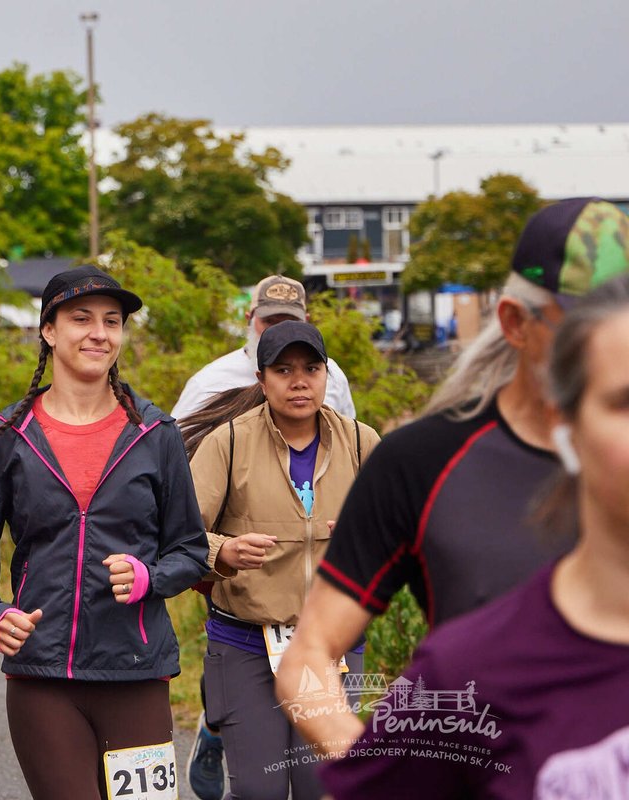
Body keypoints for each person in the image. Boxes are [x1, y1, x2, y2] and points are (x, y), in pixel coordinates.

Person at [275, 197, 629, 758]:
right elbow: (309, 655)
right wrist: (371, 773)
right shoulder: (423, 462)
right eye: (584, 324)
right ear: (515, 322)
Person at [0, 265, 209, 800]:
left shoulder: (156, 435)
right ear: (49, 330)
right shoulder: (8, 438)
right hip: (43, 677)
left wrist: (148, 577)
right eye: (81, 318)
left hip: (136, 673)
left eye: (112, 322)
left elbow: (191, 550)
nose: (99, 333)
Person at [176, 277, 357, 800]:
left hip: (329, 642)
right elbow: (179, 519)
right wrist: (221, 553)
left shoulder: (360, 438)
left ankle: (216, 725)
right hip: (245, 632)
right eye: (283, 368)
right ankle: (220, 720)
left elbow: (393, 525)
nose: (299, 381)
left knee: (319, 786)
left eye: (311, 368)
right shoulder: (222, 420)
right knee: (259, 789)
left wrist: (360, 535)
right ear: (260, 370)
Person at [171, 276, 356, 421]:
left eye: (290, 322)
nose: (279, 332)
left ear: (306, 321)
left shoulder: (332, 375)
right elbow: (178, 449)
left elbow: (348, 442)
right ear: (248, 320)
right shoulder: (209, 382)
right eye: (269, 322)